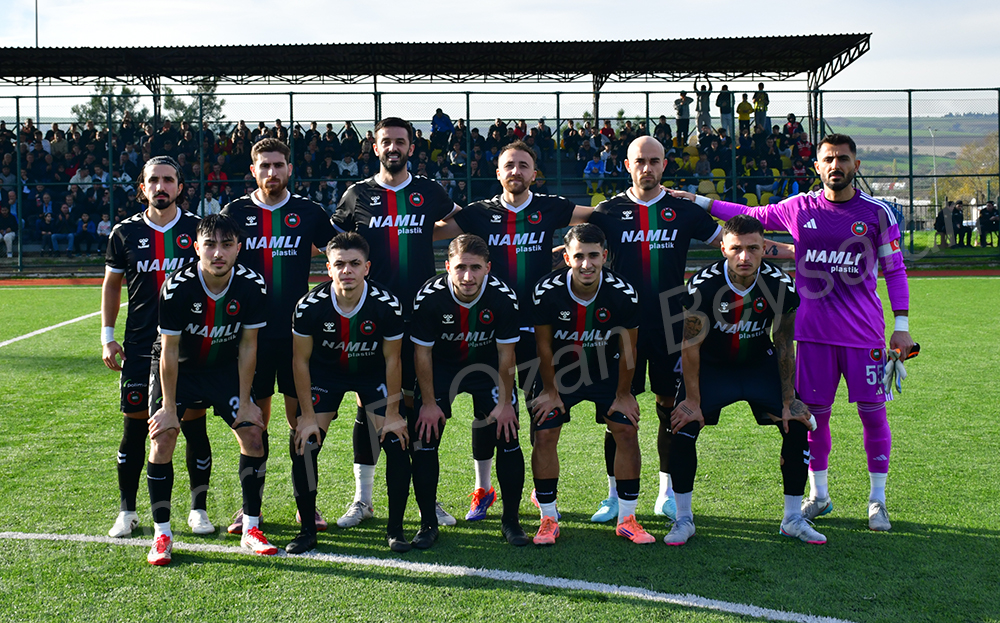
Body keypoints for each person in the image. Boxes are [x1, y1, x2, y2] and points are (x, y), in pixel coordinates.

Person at [676, 133, 915, 531]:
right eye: (828, 159)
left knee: (873, 416)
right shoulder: (799, 207)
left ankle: (878, 501)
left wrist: (902, 327)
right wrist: (700, 201)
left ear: (855, 165)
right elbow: (748, 213)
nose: (836, 165)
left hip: (865, 335)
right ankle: (819, 496)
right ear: (817, 166)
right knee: (812, 418)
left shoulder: (878, 213)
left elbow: (895, 269)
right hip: (812, 335)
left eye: (843, 158)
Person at [433, 141, 591, 519]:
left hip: (540, 330)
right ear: (498, 172)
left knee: (541, 409)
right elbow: (431, 232)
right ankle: (483, 489)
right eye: (509, 165)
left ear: (534, 173)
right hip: (490, 329)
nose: (516, 171)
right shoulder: (478, 213)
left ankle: (540, 487)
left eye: (523, 165)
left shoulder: (550, 207)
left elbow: (602, 216)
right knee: (488, 410)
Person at [332, 117, 461, 529]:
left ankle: (427, 497)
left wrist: (425, 234)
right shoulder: (357, 194)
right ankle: (363, 499)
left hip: (423, 316)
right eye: (386, 141)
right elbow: (337, 244)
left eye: (400, 141)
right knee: (367, 403)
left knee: (423, 403)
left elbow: (461, 222)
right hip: (372, 317)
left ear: (411, 147)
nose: (393, 147)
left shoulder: (429, 191)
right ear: (375, 147)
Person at [664, 214, 822, 545]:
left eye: (753, 248)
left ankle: (792, 518)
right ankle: (683, 519)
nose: (745, 257)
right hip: (712, 367)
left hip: (758, 365)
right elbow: (689, 347)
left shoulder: (780, 284)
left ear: (765, 248)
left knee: (795, 424)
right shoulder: (702, 286)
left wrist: (788, 399)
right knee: (681, 425)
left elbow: (783, 343)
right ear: (723, 248)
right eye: (736, 248)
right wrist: (692, 401)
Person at [221, 138, 338, 534]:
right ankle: (248, 508)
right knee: (253, 424)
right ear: (253, 171)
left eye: (278, 165)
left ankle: (308, 505)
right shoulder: (235, 213)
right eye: (264, 166)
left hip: (296, 338)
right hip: (249, 337)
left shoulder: (308, 211)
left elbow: (338, 254)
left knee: (302, 422)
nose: (271, 172)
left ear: (289, 169)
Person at [144, 214, 273, 565]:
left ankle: (251, 528)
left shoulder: (252, 285)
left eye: (227, 245)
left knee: (253, 434)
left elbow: (248, 345)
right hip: (180, 369)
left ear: (238, 248)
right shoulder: (177, 287)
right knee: (164, 437)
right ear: (196, 247)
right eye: (210, 245)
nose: (218, 253)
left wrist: (245, 401)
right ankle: (162, 535)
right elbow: (169, 350)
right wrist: (169, 408)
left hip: (222, 368)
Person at [102, 156, 210, 540]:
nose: (160, 187)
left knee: (194, 426)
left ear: (180, 187)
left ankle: (198, 509)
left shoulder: (199, 229)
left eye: (168, 180)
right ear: (142, 187)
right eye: (153, 181)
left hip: (190, 348)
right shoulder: (124, 233)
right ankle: (127, 511)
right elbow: (112, 285)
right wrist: (107, 335)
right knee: (136, 429)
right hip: (139, 346)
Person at [287, 232, 412, 553]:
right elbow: (300, 361)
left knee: (397, 440)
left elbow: (393, 359)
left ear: (367, 267)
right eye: (339, 264)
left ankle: (396, 530)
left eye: (355, 264)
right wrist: (307, 416)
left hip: (372, 374)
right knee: (303, 443)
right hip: (326, 375)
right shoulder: (309, 306)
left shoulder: (387, 304)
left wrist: (393, 413)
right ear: (328, 268)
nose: (347, 271)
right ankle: (307, 530)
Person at [529, 224, 653, 546]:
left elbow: (629, 347)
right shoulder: (546, 291)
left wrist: (623, 395)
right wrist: (550, 391)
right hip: (558, 373)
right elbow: (543, 346)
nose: (587, 264)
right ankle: (548, 519)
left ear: (605, 256)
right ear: (567, 258)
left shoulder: (624, 292)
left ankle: (627, 519)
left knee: (625, 428)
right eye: (579, 256)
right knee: (545, 431)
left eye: (594, 256)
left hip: (606, 369)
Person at [409, 234, 526, 548]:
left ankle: (511, 521)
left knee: (508, 434)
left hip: (488, 368)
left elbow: (506, 355)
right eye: (460, 267)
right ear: (447, 266)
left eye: (475, 268)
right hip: (442, 368)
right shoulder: (429, 297)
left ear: (488, 267)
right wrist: (429, 403)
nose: (468, 276)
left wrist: (505, 403)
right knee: (425, 436)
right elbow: (422, 354)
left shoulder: (503, 297)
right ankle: (428, 523)